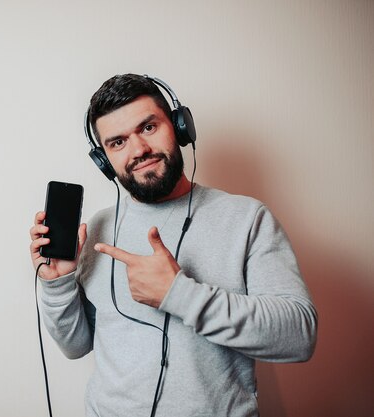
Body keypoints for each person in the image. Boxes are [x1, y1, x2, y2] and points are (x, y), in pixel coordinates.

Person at [29, 74, 317, 417]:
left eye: (148, 127)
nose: (138, 150)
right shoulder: (98, 230)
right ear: (104, 160)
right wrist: (58, 283)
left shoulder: (246, 219)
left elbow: (299, 336)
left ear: (180, 127)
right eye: (117, 142)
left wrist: (178, 294)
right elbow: (76, 346)